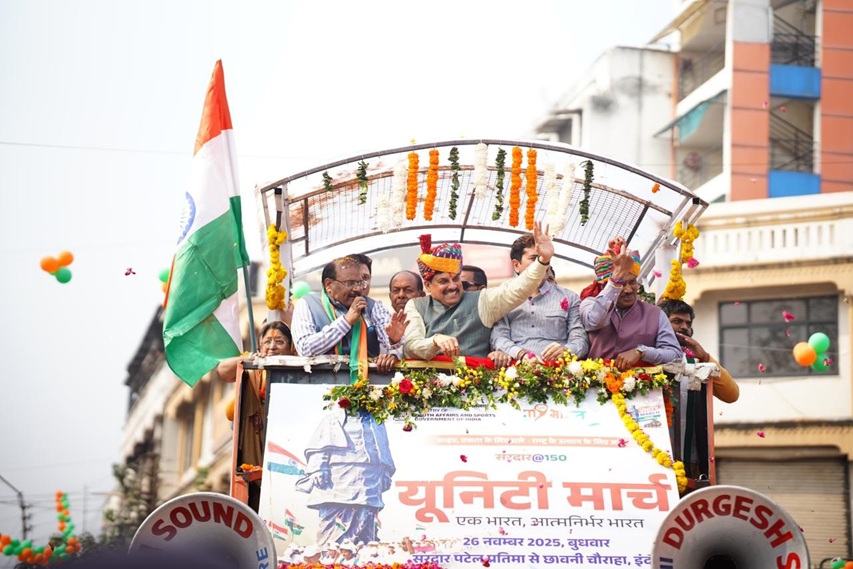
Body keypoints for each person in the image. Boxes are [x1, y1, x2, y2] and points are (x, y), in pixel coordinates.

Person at [404, 222, 554, 360]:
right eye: (443, 281)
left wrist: (543, 261)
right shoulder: (416, 306)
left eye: (456, 279)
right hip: (429, 385)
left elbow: (519, 288)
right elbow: (411, 347)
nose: (453, 286)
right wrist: (435, 340)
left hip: (475, 386)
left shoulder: (482, 301)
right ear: (428, 285)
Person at [296, 407, 395, 547]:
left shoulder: (375, 422)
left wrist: (385, 473)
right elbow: (319, 448)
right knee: (334, 518)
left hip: (369, 478)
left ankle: (363, 554)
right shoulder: (332, 420)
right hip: (337, 477)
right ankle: (328, 554)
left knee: (366, 516)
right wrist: (318, 468)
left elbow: (383, 449)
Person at [579, 237, 682, 371]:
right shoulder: (589, 304)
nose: (628, 290)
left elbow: (675, 355)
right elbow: (595, 321)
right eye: (621, 283)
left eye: (632, 282)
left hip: (642, 389)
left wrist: (641, 352)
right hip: (594, 387)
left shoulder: (655, 314)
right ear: (605, 284)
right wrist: (615, 281)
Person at [291, 256, 407, 374]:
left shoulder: (373, 306)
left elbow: (392, 347)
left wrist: (393, 340)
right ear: (328, 285)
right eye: (350, 283)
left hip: (365, 385)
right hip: (319, 382)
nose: (357, 289)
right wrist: (346, 322)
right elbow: (305, 349)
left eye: (360, 282)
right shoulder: (307, 304)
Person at [491, 233, 589, 364]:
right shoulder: (503, 297)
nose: (541, 263)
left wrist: (566, 351)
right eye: (534, 258)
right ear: (516, 265)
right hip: (515, 372)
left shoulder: (570, 297)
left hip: (559, 373)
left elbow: (580, 340)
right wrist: (521, 354)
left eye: (544, 259)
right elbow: (498, 338)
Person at [658, 299, 740, 403]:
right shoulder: (647, 354)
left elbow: (731, 395)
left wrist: (705, 357)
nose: (684, 327)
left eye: (688, 324)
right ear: (660, 324)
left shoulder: (695, 361)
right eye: (677, 321)